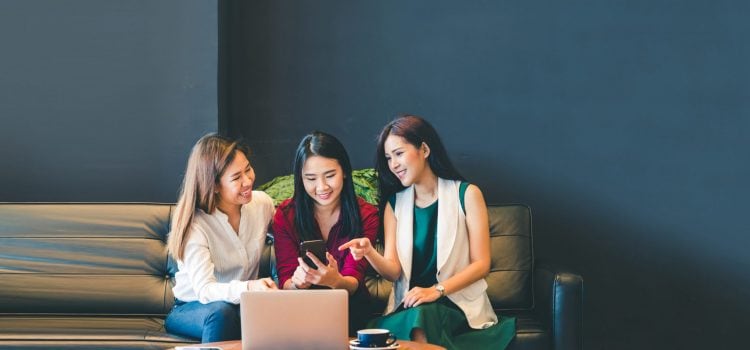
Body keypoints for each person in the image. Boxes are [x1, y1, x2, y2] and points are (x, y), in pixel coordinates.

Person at [339, 115, 516, 349]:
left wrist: (436, 291)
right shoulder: (394, 205)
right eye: (388, 158)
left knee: (423, 318)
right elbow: (393, 272)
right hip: (411, 305)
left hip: (456, 303)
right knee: (418, 316)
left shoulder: (468, 194)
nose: (393, 164)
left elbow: (481, 264)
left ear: (424, 149)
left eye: (399, 153)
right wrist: (370, 252)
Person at [165, 133, 278, 343]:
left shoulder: (262, 204)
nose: (248, 181)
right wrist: (250, 287)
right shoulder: (196, 225)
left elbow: (290, 234)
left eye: (248, 169)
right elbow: (205, 290)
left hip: (241, 306)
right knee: (221, 313)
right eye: (236, 178)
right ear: (214, 185)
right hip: (194, 307)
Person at [272, 131, 379, 333]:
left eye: (330, 175)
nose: (321, 187)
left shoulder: (366, 215)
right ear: (300, 179)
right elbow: (285, 279)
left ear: (344, 171)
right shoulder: (285, 216)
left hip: (349, 308)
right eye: (310, 178)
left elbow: (353, 279)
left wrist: (335, 281)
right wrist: (297, 283)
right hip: (300, 310)